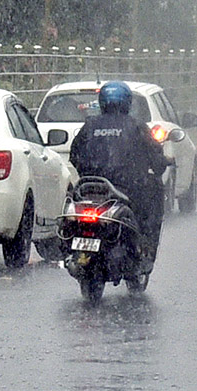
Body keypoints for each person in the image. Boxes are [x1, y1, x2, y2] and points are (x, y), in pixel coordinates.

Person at [69, 81, 169, 261]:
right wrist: (162, 163)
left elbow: (75, 155)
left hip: (92, 188)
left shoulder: (90, 125)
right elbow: (156, 159)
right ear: (127, 102)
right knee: (155, 192)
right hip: (129, 188)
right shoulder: (137, 126)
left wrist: (88, 172)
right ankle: (145, 245)